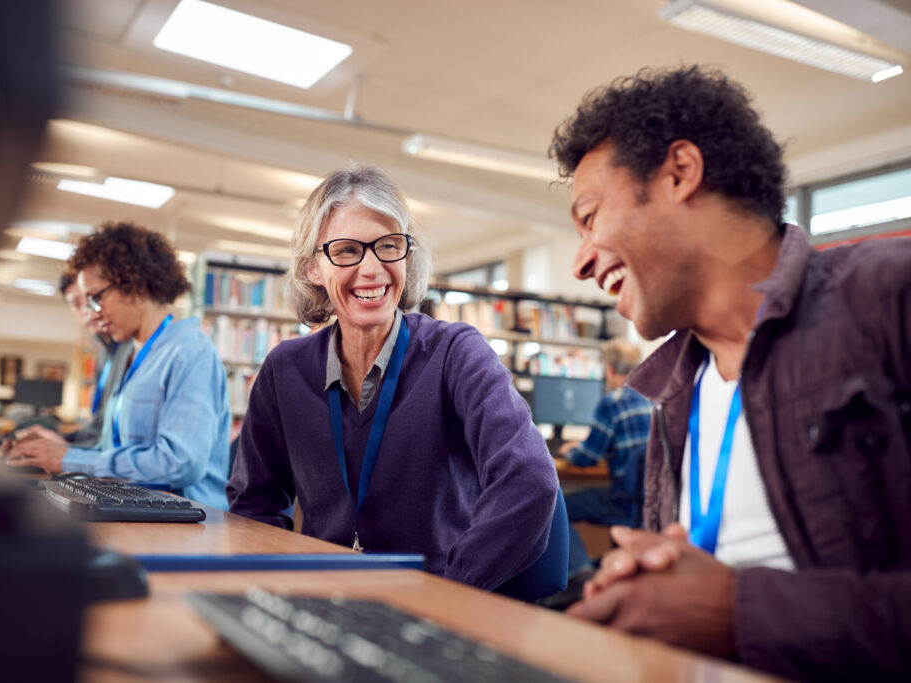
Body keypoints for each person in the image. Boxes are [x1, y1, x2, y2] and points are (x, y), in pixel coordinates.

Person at [548, 64, 911, 680]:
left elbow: (731, 605)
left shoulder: (888, 297)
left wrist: (741, 611)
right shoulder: (672, 391)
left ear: (679, 173)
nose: (580, 262)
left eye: (589, 217)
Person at [227, 163, 563, 592]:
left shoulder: (456, 353)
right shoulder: (284, 369)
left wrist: (451, 595)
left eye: (388, 246)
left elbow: (529, 479)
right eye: (347, 251)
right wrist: (273, 589)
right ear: (313, 268)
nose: (372, 269)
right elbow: (253, 501)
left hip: (432, 602)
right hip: (325, 597)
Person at [2, 222, 231, 511]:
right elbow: (115, 452)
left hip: (188, 519)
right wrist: (51, 450)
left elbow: (179, 465)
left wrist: (67, 458)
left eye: (97, 297)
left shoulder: (190, 351)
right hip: (132, 506)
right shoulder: (130, 354)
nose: (93, 312)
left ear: (135, 283)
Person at [560, 338, 651, 576]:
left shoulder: (612, 403)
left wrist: (570, 451)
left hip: (623, 501)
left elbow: (587, 458)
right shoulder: (654, 399)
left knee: (555, 506)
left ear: (609, 369)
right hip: (651, 503)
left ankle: (579, 572)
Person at [50, 271, 131, 446]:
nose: (89, 311)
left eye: (93, 300)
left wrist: (65, 450)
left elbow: (111, 439)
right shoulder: (104, 352)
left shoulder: (131, 350)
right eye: (78, 304)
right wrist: (60, 441)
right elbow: (98, 427)